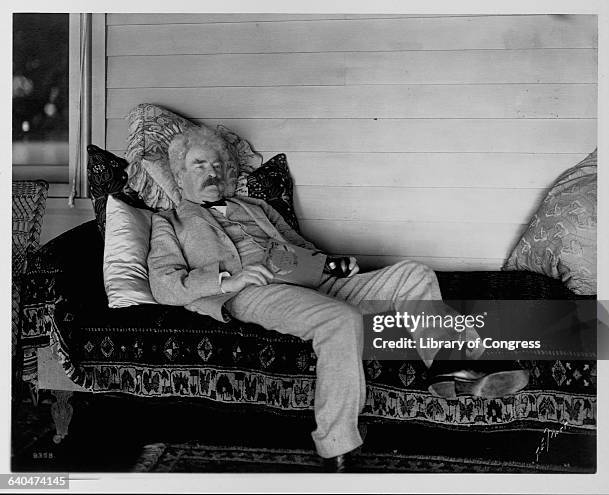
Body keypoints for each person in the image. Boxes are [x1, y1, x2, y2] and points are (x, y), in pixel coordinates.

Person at [147, 127, 529, 471]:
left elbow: (298, 248)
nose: (211, 173)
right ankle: (337, 447)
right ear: (180, 176)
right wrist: (228, 279)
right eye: (199, 165)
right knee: (341, 320)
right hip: (252, 291)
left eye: (217, 165)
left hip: (310, 280)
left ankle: (447, 368)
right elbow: (164, 284)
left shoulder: (256, 207)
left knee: (414, 274)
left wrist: (333, 264)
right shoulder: (169, 221)